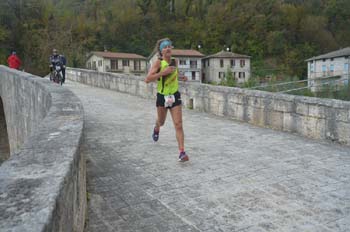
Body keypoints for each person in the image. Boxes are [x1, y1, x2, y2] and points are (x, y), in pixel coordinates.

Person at [145, 38, 189, 162]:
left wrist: (181, 77)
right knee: (161, 121)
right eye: (165, 47)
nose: (168, 48)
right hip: (162, 97)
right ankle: (156, 128)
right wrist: (162, 73)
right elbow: (147, 79)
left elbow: (173, 75)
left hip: (174, 96)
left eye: (169, 46)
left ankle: (182, 152)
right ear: (161, 50)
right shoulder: (158, 63)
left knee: (178, 124)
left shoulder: (175, 61)